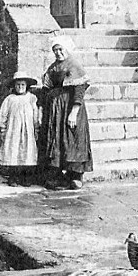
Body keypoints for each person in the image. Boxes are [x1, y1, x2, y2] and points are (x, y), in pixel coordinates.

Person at [39, 36, 92, 190]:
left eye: (60, 49)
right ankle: (57, 176)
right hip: (55, 111)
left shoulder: (74, 65)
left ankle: (75, 176)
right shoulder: (53, 67)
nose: (58, 53)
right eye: (55, 50)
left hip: (70, 108)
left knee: (73, 138)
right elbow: (46, 87)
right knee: (57, 139)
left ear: (67, 49)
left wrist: (73, 112)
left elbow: (79, 89)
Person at [0, 71, 40, 187]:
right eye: (18, 85)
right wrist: (3, 129)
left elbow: (36, 115)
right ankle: (13, 177)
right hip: (13, 131)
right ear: (14, 86)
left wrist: (36, 129)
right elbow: (3, 115)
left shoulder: (32, 98)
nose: (20, 87)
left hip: (28, 131)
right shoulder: (9, 99)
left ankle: (26, 178)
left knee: (27, 152)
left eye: (23, 85)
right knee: (13, 151)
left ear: (26, 86)